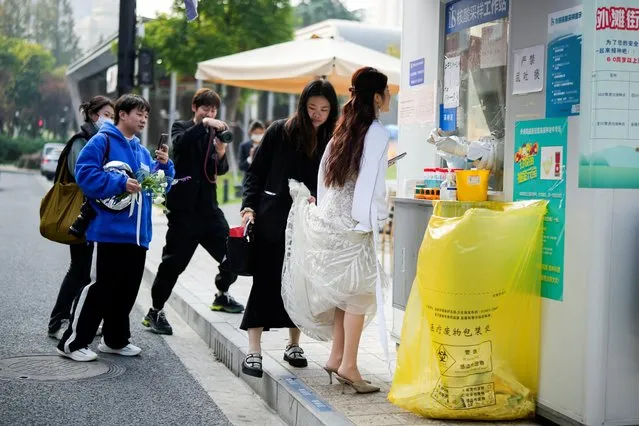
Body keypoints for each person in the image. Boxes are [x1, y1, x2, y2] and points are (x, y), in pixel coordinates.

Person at [281, 67, 392, 393]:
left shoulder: (342, 130)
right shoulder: (376, 132)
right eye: (385, 93)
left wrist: (332, 217)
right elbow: (372, 186)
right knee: (358, 297)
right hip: (354, 226)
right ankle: (349, 367)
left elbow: (325, 179)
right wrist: (373, 222)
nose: (387, 98)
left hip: (331, 221)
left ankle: (336, 358)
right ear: (377, 97)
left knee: (346, 296)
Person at [56, 94, 174, 362]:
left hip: (138, 235)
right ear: (122, 114)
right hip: (111, 231)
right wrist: (120, 184)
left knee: (128, 289)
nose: (144, 119)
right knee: (103, 288)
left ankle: (115, 340)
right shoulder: (103, 140)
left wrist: (166, 167)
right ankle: (73, 343)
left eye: (146, 115)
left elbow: (161, 187)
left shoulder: (142, 151)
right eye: (139, 114)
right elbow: (85, 174)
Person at [239, 80, 339, 378]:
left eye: (324, 109)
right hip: (273, 220)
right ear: (302, 105)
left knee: (301, 283)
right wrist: (248, 207)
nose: (317, 114)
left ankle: (293, 344)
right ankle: (254, 351)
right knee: (266, 281)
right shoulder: (280, 131)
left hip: (311, 224)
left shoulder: (333, 138)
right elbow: (255, 173)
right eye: (311, 108)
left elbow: (334, 183)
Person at [142, 88, 243, 336]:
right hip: (183, 212)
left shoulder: (216, 134)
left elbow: (221, 169)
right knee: (172, 265)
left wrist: (220, 154)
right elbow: (180, 145)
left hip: (209, 211)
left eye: (213, 109)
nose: (209, 113)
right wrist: (204, 124)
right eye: (205, 108)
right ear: (195, 108)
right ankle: (154, 311)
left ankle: (221, 294)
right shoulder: (181, 127)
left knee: (234, 256)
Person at [48, 96, 114, 340]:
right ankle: (59, 321)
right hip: (81, 214)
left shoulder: (102, 141)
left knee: (86, 272)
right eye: (107, 114)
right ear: (95, 115)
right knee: (80, 270)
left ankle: (74, 320)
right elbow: (81, 174)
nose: (110, 119)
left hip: (95, 214)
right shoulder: (82, 141)